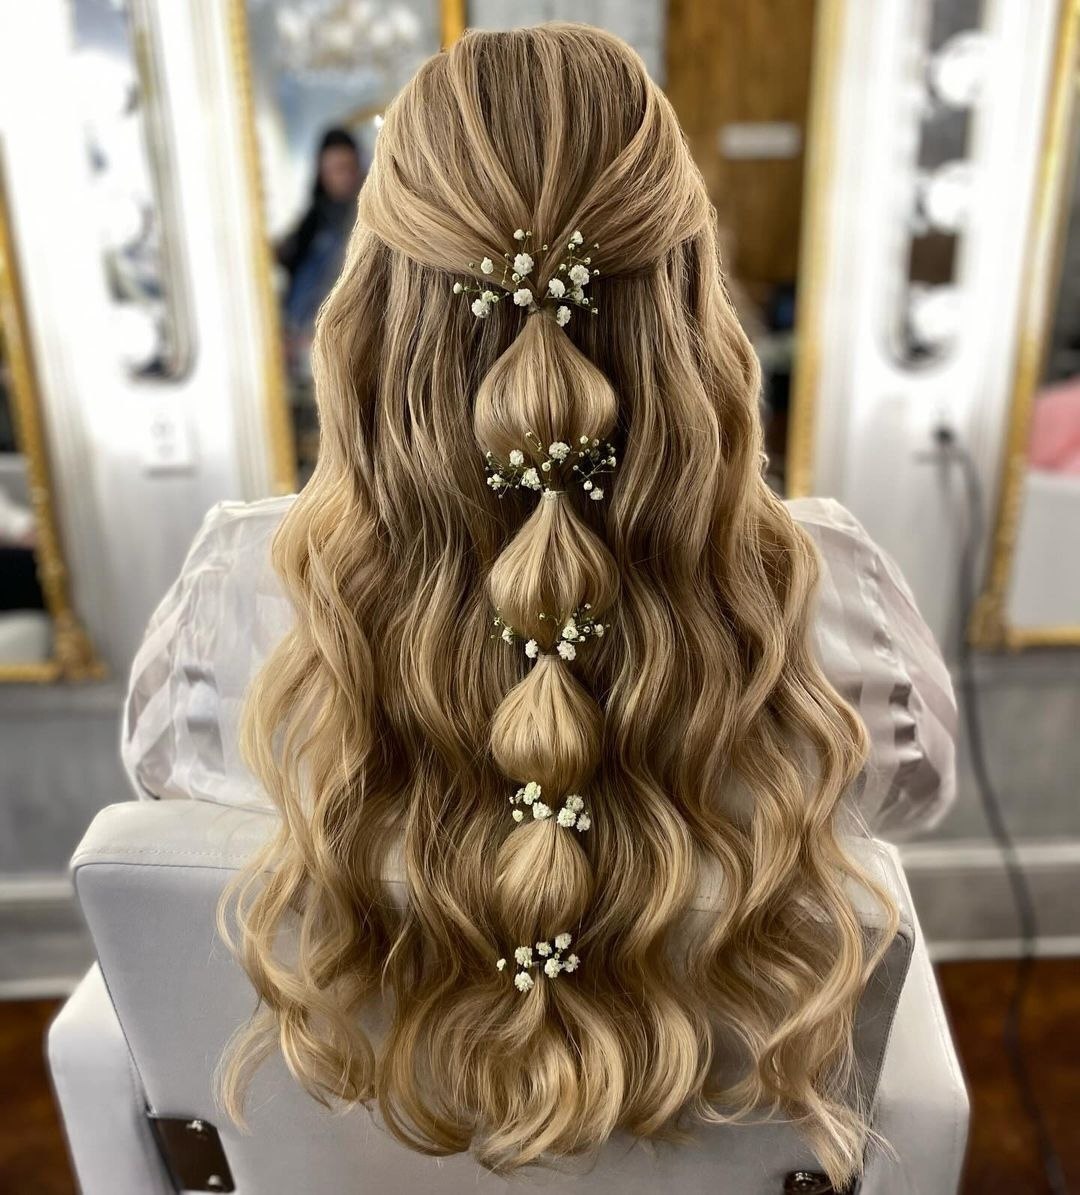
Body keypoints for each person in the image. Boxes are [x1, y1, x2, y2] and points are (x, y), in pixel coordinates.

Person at [122, 25, 956, 1190]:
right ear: (689, 292)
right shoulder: (829, 592)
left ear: (377, 298)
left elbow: (166, 791)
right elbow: (910, 801)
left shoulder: (237, 592)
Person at [276, 126, 363, 335]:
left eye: (348, 168)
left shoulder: (364, 222)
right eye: (336, 169)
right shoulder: (313, 224)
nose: (343, 177)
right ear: (323, 172)